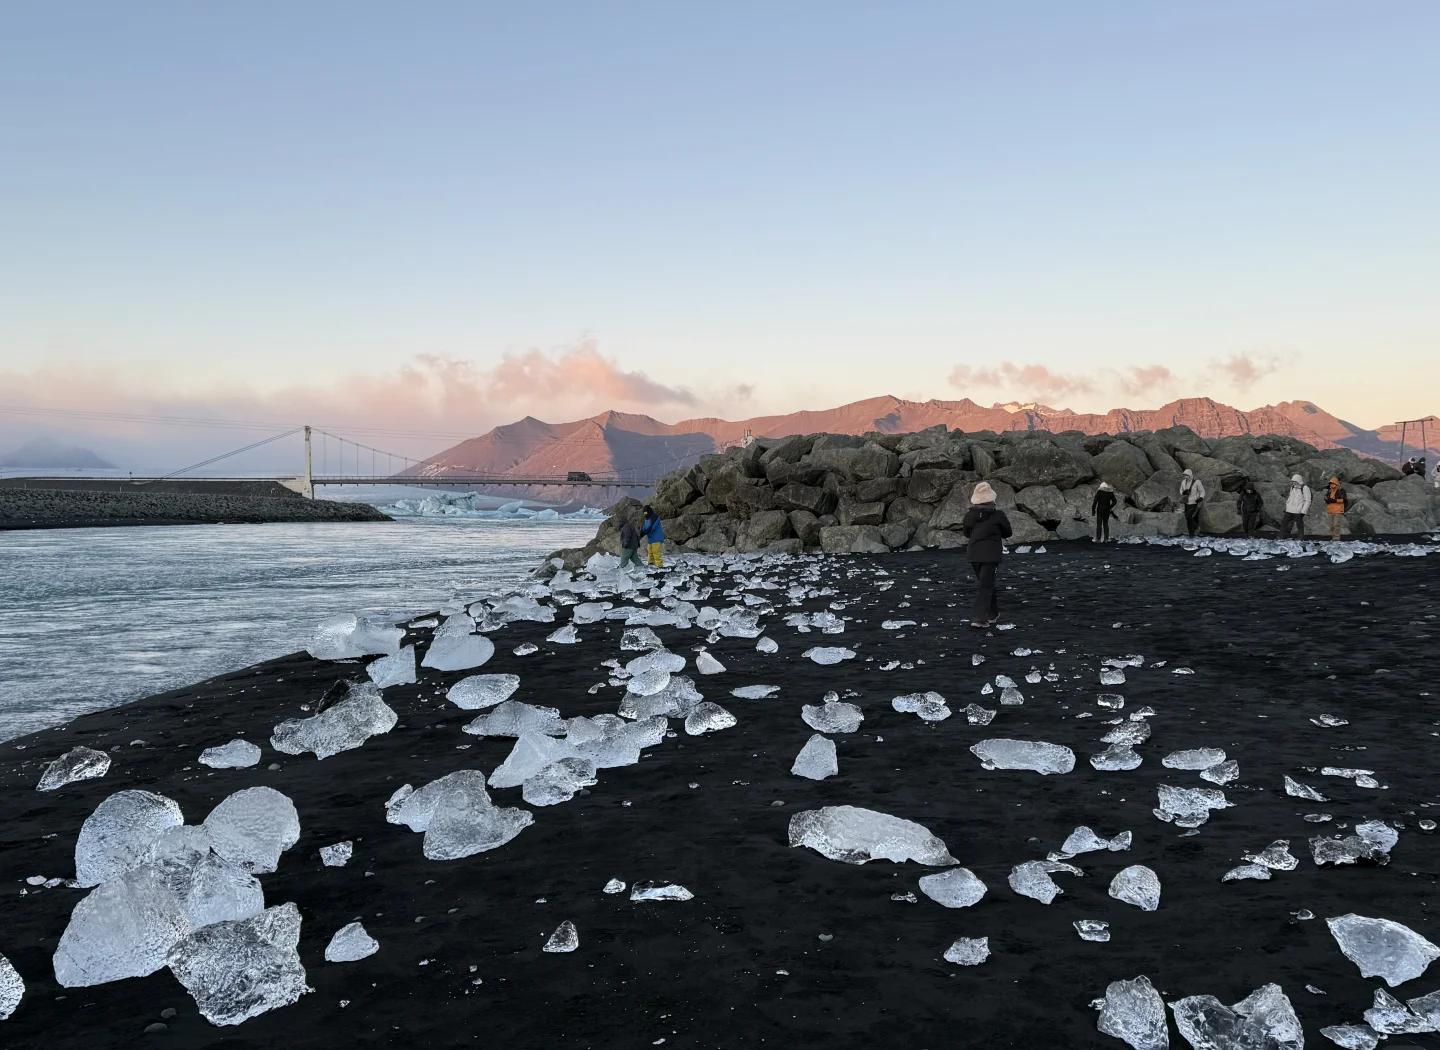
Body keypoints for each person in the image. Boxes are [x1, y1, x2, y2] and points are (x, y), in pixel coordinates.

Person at [961, 482, 1012, 629]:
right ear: (992, 500)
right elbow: (1008, 532)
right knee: (986, 585)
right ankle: (979, 618)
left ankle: (993, 613)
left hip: (974, 554)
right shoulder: (998, 515)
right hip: (991, 555)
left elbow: (966, 533)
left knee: (986, 583)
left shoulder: (970, 516)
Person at [1281, 473, 1312, 538]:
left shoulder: (1305, 488)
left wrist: (1303, 511)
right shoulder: (1292, 487)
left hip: (1298, 510)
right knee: (1284, 522)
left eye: (1294, 481)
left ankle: (1300, 537)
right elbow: (1290, 497)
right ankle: (1281, 535)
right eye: (1292, 481)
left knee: (1299, 524)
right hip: (1289, 509)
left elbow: (1308, 500)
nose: (1293, 482)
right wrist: (1287, 506)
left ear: (1298, 481)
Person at [1179, 468, 1206, 537]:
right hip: (1186, 502)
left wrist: (1201, 498)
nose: (1185, 477)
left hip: (1194, 502)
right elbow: (1180, 490)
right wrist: (1183, 492)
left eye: (1187, 475)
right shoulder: (1183, 482)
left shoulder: (1197, 482)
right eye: (1184, 475)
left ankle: (1194, 531)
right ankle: (1193, 532)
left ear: (1190, 475)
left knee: (1190, 517)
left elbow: (1202, 491)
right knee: (1188, 517)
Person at [1323, 476, 1349, 540]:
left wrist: (1333, 500)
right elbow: (1327, 499)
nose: (1332, 485)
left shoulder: (1341, 490)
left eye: (1333, 483)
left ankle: (1336, 538)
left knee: (1336, 525)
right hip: (1331, 510)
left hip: (1338, 510)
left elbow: (1344, 500)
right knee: (1331, 526)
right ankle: (1332, 537)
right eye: (1331, 483)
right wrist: (1327, 499)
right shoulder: (1329, 491)